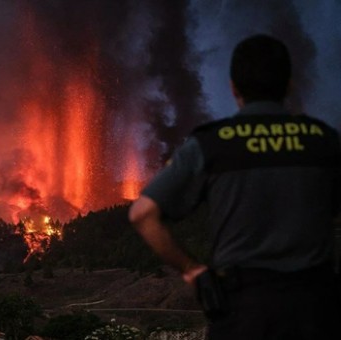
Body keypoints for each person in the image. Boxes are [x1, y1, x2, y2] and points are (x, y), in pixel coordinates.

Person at [129, 34, 341, 339]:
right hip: (316, 311)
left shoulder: (212, 143)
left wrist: (192, 269)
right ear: (290, 84)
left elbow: (141, 214)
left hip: (243, 312)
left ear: (233, 87)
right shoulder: (324, 141)